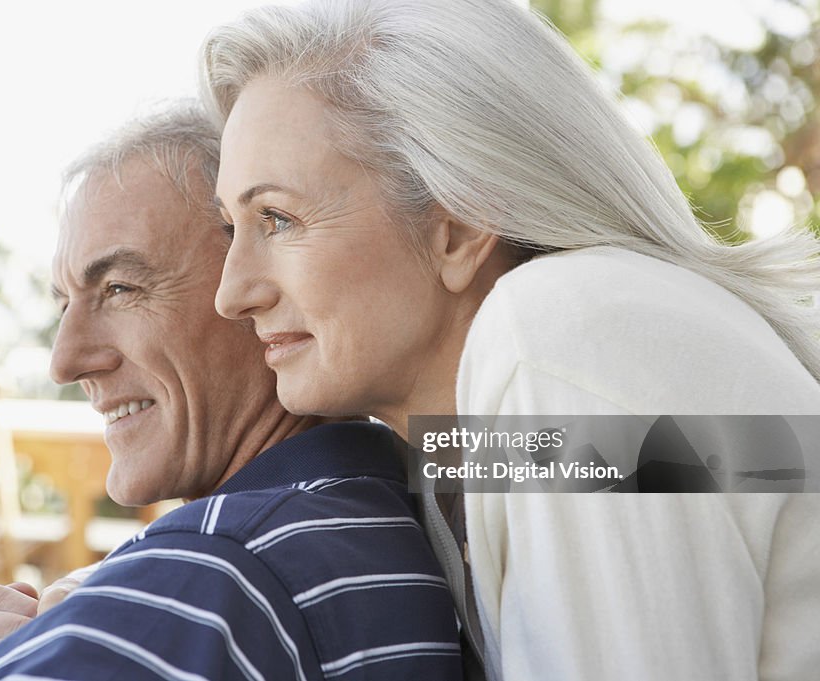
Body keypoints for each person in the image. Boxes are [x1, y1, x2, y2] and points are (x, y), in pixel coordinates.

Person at [202, 1, 820, 680]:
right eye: (233, 228)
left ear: (460, 229)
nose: (232, 294)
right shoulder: (479, 438)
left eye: (279, 218)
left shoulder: (564, 330)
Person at [0, 103, 464, 681]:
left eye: (121, 288)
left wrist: (111, 620)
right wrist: (95, 617)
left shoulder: (219, 574)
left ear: (261, 296)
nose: (65, 361)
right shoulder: (385, 501)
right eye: (64, 302)